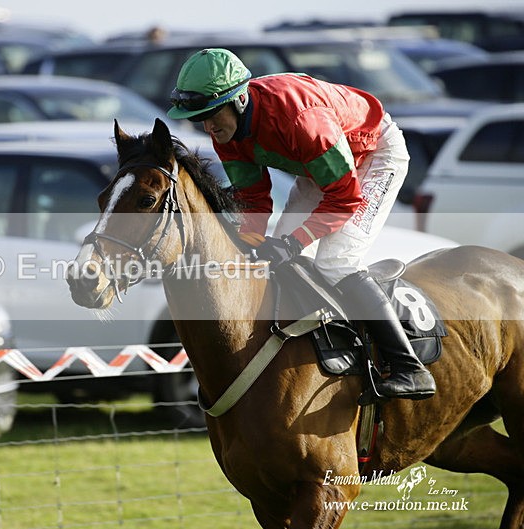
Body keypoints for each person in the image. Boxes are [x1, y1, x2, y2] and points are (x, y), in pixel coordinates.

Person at [166, 48, 436, 400]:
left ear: (240, 101)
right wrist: (246, 245)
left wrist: (294, 242)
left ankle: (409, 368)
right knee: (281, 263)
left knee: (335, 262)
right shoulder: (227, 134)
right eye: (199, 118)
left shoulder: (300, 120)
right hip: (320, 165)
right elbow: (254, 199)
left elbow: (345, 197)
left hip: (374, 154)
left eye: (213, 114)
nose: (208, 127)